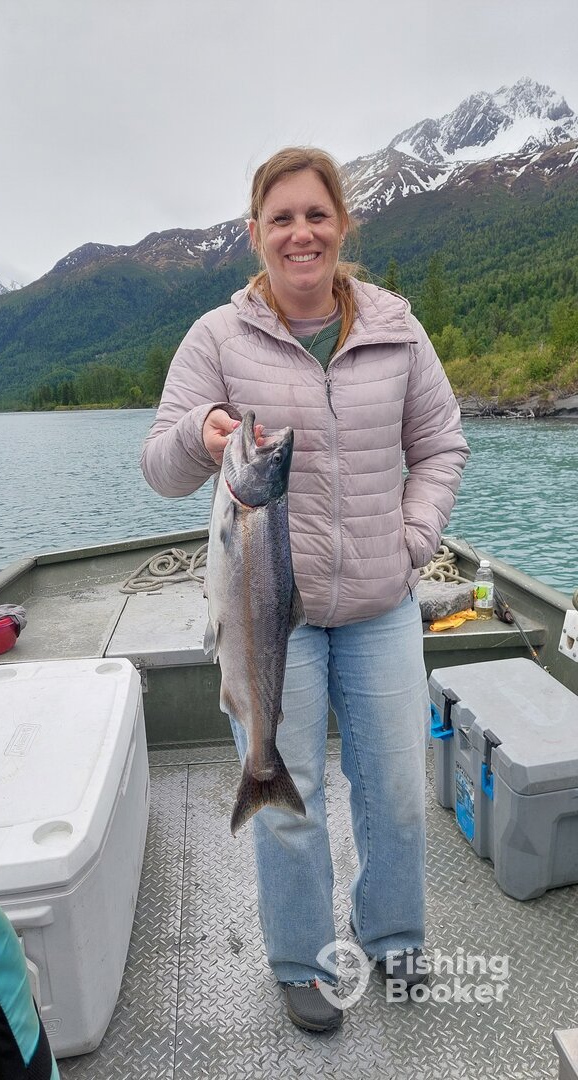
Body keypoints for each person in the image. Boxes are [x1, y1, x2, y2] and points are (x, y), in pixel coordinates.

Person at [141, 147, 469, 1032]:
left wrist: (412, 539)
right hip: (265, 618)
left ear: (342, 225)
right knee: (287, 800)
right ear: (255, 233)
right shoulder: (217, 337)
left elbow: (441, 444)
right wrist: (202, 437)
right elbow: (159, 465)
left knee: (396, 788)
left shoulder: (396, 328)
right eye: (281, 218)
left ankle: (391, 933)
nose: (301, 234)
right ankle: (300, 959)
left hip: (379, 606)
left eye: (316, 215)